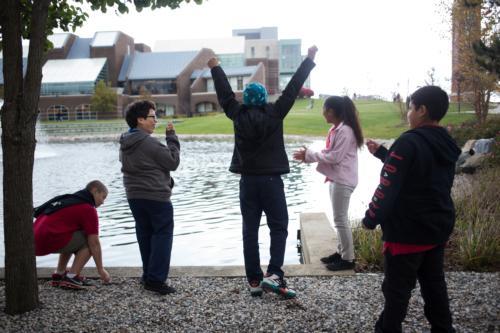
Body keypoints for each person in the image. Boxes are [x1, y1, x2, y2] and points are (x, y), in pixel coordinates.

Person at [208, 45, 318, 299]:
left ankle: (255, 280)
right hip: (271, 181)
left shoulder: (237, 114)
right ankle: (275, 274)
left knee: (250, 229)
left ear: (245, 100)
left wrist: (215, 67)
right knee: (278, 227)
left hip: (247, 182)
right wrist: (308, 60)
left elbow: (224, 94)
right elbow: (292, 89)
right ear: (265, 99)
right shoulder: (276, 112)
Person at [363, 86, 460, 333]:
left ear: (422, 110)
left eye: (410, 107)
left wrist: (370, 218)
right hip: (436, 229)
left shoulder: (408, 141)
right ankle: (444, 328)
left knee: (396, 292)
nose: (408, 113)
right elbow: (421, 172)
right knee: (434, 285)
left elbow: (386, 188)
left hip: (407, 232)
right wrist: (384, 153)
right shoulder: (446, 142)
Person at [293, 95, 364, 271]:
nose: (322, 113)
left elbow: (335, 157)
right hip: (337, 178)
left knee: (340, 220)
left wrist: (310, 155)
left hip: (343, 179)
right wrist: (308, 156)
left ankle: (348, 259)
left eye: (324, 109)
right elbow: (328, 152)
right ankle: (341, 252)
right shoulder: (336, 129)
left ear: (331, 111)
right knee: (338, 218)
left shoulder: (345, 131)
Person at [119, 100, 180, 295]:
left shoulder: (125, 141)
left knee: (145, 234)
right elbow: (172, 162)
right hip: (156, 197)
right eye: (153, 117)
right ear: (140, 120)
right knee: (162, 235)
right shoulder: (148, 142)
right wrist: (171, 138)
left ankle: (148, 275)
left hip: (134, 196)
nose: (156, 121)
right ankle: (156, 280)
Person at [33, 180, 111, 289]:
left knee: (72, 234)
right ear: (95, 191)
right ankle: (72, 277)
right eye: (103, 197)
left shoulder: (71, 200)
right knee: (88, 240)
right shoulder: (87, 208)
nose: (103, 202)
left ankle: (59, 274)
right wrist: (101, 270)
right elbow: (94, 243)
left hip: (33, 240)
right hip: (44, 241)